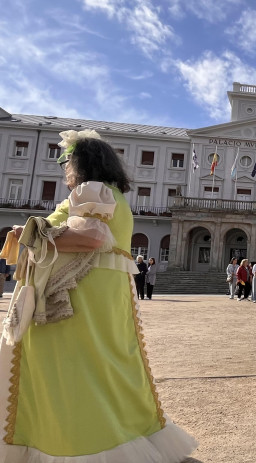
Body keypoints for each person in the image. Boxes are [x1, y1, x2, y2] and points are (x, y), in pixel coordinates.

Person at [0, 130, 196, 461]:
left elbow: (91, 237)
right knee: (107, 363)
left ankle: (74, 443)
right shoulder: (116, 197)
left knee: (71, 364)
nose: (63, 166)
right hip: (106, 291)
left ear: (83, 163)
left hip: (80, 290)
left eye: (66, 159)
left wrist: (36, 233)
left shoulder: (92, 190)